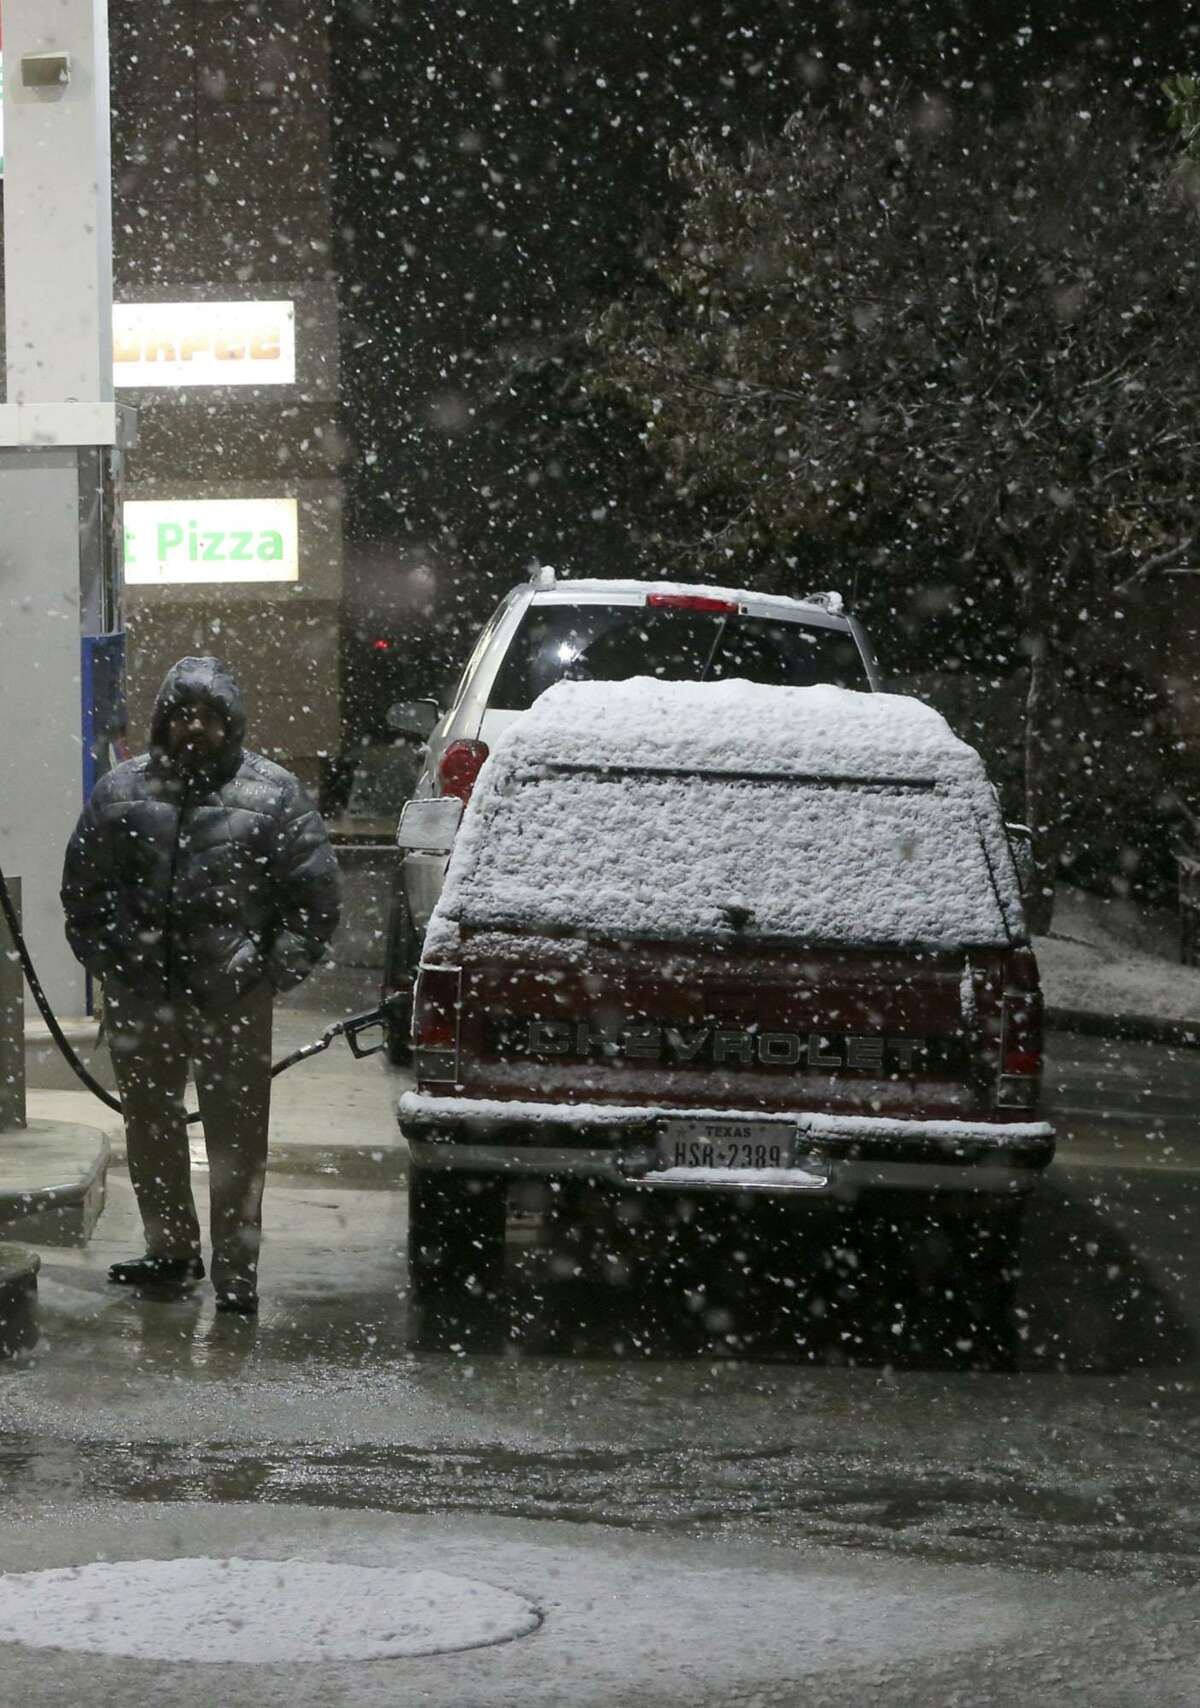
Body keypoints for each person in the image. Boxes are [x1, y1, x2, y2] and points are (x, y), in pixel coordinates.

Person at [61, 656, 340, 1314]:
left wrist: (270, 970)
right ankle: (171, 1251)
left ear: (232, 722)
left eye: (209, 716)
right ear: (163, 719)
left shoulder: (274, 795)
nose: (194, 727)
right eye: (182, 714)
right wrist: (114, 960)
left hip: (232, 997)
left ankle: (236, 1272)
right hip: (142, 994)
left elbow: (316, 897)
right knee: (150, 1128)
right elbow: (84, 888)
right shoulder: (120, 792)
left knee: (236, 1139)